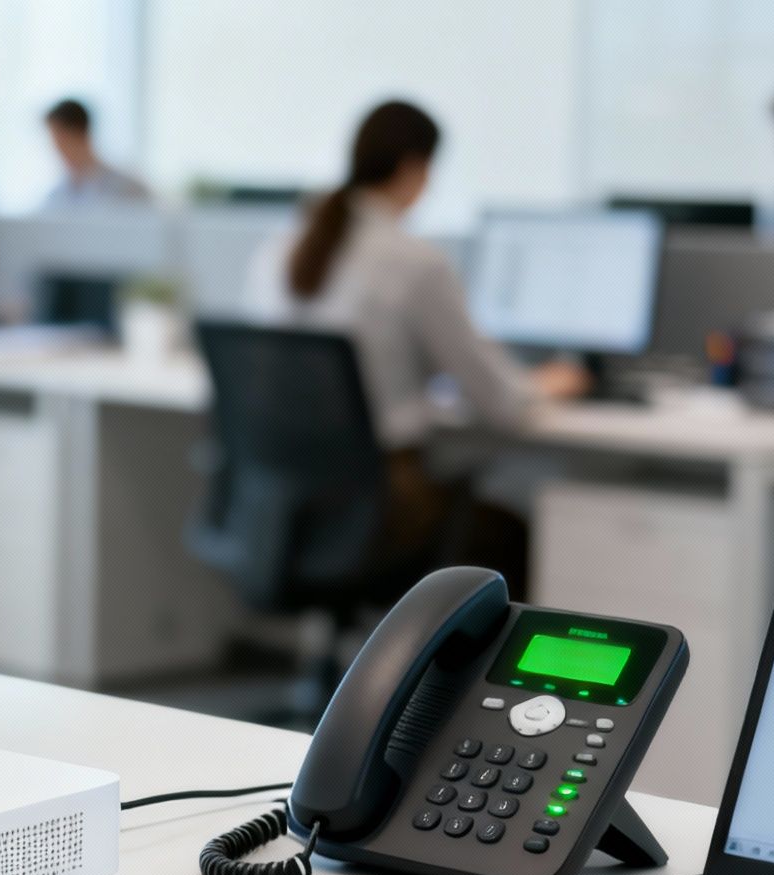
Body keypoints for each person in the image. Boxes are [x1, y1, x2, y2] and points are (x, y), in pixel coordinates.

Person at [242, 100, 586, 592]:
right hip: (382, 504)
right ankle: (458, 672)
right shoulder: (413, 261)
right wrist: (548, 384)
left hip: (286, 501)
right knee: (511, 532)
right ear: (413, 166)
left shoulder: (280, 248)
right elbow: (501, 403)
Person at [41, 98, 149, 210]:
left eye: (61, 140)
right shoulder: (55, 196)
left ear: (81, 134)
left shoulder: (128, 188)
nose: (57, 148)